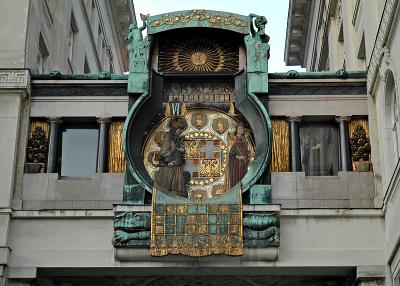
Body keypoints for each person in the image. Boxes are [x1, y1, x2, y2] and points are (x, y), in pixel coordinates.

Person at [155, 119, 187, 197]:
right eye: (180, 129)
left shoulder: (176, 138)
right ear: (175, 129)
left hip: (176, 165)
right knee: (168, 185)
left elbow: (176, 148)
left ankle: (175, 198)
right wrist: (168, 161)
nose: (180, 131)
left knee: (176, 187)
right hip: (170, 165)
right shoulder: (168, 136)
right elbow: (164, 150)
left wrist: (181, 149)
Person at [227, 123, 250, 189]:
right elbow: (231, 153)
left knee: (243, 177)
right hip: (235, 163)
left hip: (244, 163)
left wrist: (249, 154)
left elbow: (246, 151)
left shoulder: (244, 140)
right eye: (239, 128)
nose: (241, 130)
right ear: (236, 130)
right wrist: (239, 157)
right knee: (236, 178)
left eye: (242, 129)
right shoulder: (233, 139)